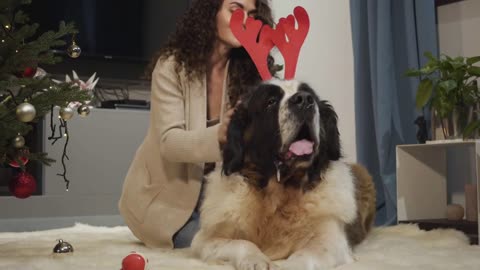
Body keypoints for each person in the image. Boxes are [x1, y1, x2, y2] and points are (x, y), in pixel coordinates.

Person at [118, 0, 279, 248]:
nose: (245, 20)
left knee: (266, 243)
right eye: (236, 10)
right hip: (168, 201)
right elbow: (169, 143)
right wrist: (221, 133)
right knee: (220, 247)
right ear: (210, 12)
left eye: (252, 14)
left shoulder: (249, 73)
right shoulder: (171, 66)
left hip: (221, 196)